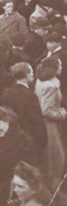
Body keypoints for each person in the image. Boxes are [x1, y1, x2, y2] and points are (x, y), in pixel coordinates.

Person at [1, 62, 47, 165]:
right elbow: (37, 122)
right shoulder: (30, 96)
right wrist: (42, 142)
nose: (33, 74)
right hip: (30, 140)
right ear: (26, 75)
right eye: (31, 71)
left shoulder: (6, 93)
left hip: (13, 138)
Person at [34, 59, 66, 188]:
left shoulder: (41, 80)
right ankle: (55, 190)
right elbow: (46, 111)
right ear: (53, 68)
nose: (62, 66)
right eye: (60, 64)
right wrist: (63, 114)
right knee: (56, 158)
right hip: (50, 125)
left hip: (47, 123)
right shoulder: (50, 86)